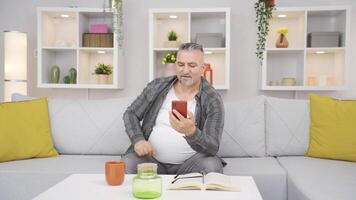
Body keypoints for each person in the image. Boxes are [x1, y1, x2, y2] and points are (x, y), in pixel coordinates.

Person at [122, 42, 225, 175]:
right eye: (181, 64)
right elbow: (130, 114)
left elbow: (212, 147)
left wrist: (192, 132)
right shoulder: (156, 86)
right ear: (176, 64)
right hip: (152, 161)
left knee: (212, 165)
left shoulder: (213, 99)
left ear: (203, 68)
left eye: (192, 65)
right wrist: (138, 140)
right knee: (126, 163)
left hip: (191, 164)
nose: (185, 70)